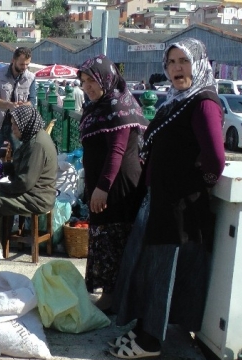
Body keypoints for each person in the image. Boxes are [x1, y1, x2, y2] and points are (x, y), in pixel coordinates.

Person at [112, 38, 226, 360]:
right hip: (160, 202)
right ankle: (144, 326)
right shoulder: (177, 100)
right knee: (148, 268)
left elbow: (215, 159)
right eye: (172, 62)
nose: (177, 68)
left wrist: (195, 185)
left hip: (179, 208)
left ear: (200, 64)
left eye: (184, 61)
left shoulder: (204, 103)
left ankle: (151, 341)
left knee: (162, 273)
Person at [77, 55, 148, 312]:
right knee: (102, 236)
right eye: (84, 81)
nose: (88, 86)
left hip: (118, 188)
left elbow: (116, 151)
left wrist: (103, 187)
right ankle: (110, 294)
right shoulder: (98, 106)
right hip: (103, 184)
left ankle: (112, 297)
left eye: (92, 80)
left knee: (112, 237)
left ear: (106, 78)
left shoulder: (119, 106)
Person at [0, 106, 57, 258]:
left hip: (37, 197)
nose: (13, 129)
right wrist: (2, 168)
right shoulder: (32, 138)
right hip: (32, 192)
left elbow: (24, 183)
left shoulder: (37, 145)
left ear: (25, 124)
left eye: (15, 125)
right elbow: (20, 166)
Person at [0, 47, 37, 178]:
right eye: (22, 64)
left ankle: (16, 186)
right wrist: (9, 105)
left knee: (21, 159)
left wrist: (23, 106)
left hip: (18, 127)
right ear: (13, 60)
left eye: (27, 64)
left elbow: (32, 101)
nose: (24, 67)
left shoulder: (31, 77)